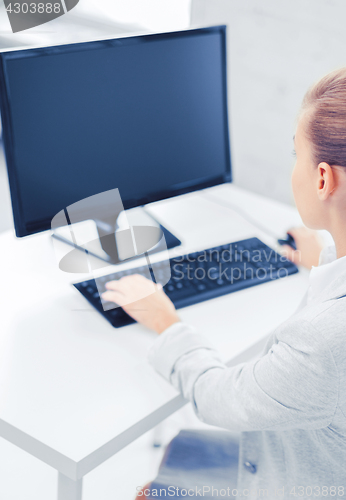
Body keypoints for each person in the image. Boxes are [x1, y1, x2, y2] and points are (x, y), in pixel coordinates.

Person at [102, 68, 346, 498]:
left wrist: (166, 322)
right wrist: (326, 255)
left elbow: (216, 398)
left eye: (296, 155)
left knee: (153, 489)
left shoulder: (325, 339)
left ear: (323, 178)